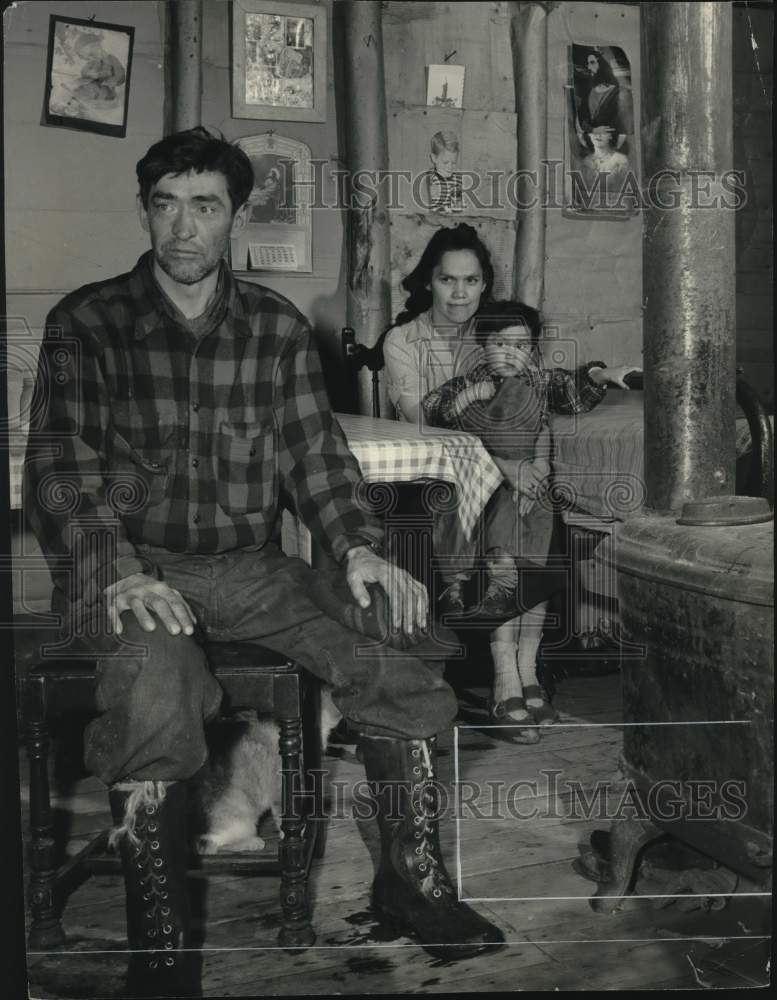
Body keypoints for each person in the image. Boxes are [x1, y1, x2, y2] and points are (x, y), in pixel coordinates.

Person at [23, 128, 504, 996]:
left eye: (204, 207)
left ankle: (410, 882)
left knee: (396, 634)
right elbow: (63, 468)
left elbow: (314, 456)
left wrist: (355, 546)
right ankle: (161, 943)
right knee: (157, 685)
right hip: (133, 571)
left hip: (249, 569)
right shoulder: (86, 323)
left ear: (234, 217)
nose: (182, 227)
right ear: (145, 210)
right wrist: (117, 572)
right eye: (165, 204)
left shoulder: (275, 329)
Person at [381, 224, 640, 725]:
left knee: (543, 513)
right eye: (447, 280)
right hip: (436, 474)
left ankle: (527, 667)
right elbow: (426, 421)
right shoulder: (405, 340)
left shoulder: (499, 333)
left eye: (471, 281)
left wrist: (538, 460)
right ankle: (505, 670)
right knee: (507, 517)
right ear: (427, 282)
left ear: (484, 284)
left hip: (513, 472)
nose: (460, 293)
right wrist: (506, 466)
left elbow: (546, 399)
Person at [421, 301, 563, 741]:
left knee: (540, 564)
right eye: (499, 343)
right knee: (505, 562)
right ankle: (505, 676)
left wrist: (539, 470)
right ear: (481, 347)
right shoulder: (468, 385)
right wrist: (469, 397)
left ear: (534, 351)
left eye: (521, 345)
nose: (509, 353)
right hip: (481, 489)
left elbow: (544, 432)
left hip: (528, 490)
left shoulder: (536, 388)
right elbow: (440, 420)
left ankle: (527, 666)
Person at [425, 131, 463, 214]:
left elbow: (458, 206)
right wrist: (448, 209)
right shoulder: (431, 178)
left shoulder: (457, 178)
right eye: (445, 162)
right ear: (434, 158)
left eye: (454, 162)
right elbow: (434, 208)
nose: (450, 167)